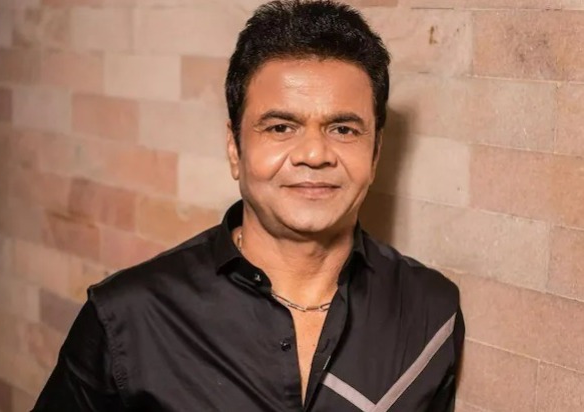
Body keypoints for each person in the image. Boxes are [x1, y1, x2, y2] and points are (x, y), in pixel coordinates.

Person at [31, 1, 464, 411]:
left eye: (343, 130)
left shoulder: (430, 315)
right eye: (280, 127)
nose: (314, 154)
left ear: (375, 152)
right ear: (234, 148)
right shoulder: (129, 317)